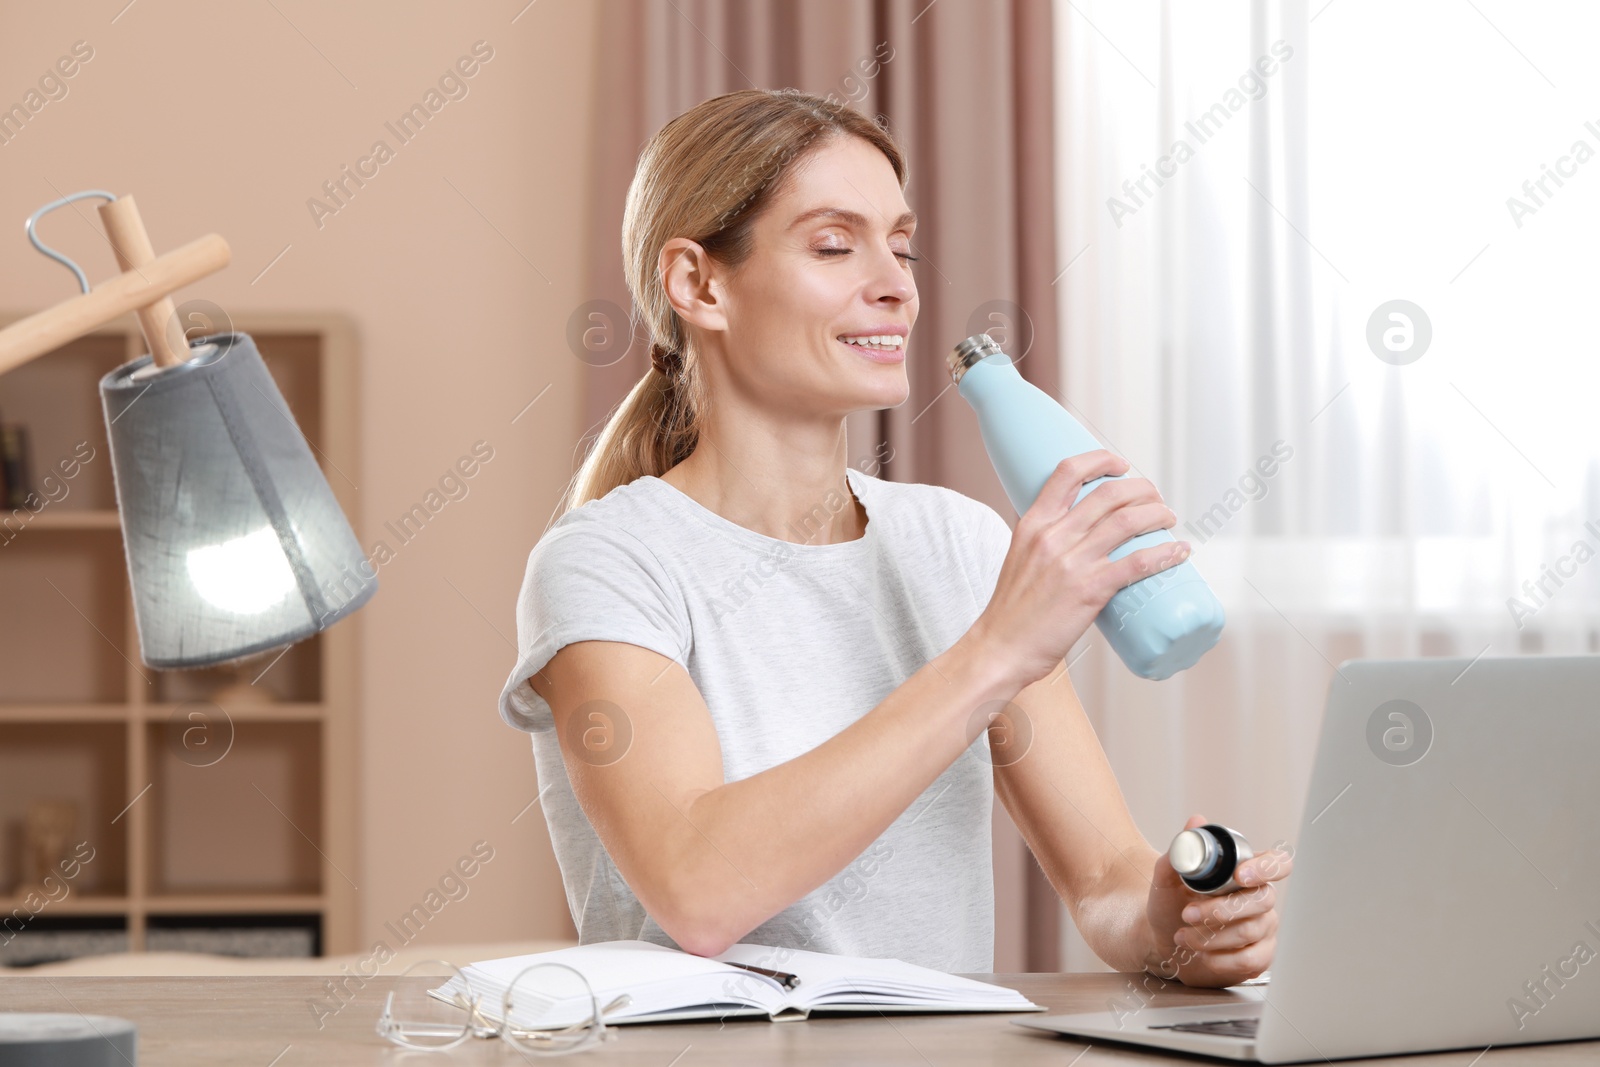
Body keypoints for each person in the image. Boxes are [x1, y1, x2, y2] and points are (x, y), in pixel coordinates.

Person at [498, 87, 1290, 985]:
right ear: (699, 284)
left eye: (902, 246)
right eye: (835, 245)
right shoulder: (607, 561)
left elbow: (1107, 880)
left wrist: (1178, 924)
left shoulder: (956, 542)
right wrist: (995, 649)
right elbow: (698, 891)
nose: (897, 284)